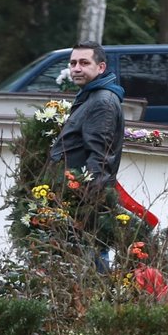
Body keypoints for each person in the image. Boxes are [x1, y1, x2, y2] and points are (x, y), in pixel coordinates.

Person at [48, 41, 125, 268]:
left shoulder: (102, 101)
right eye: (73, 63)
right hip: (75, 197)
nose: (76, 68)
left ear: (100, 67)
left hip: (85, 203)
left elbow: (100, 159)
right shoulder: (91, 96)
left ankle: (97, 302)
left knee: (91, 261)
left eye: (84, 63)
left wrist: (85, 206)